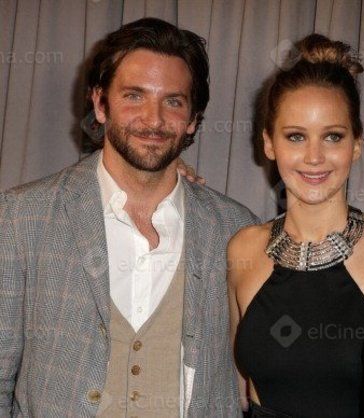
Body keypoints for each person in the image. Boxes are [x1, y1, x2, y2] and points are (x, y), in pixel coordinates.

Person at [0, 18, 257, 417]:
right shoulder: (22, 218)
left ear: (192, 118)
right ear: (100, 104)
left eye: (173, 101)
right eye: (134, 96)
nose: (153, 120)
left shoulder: (236, 230)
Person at [226, 34, 364, 418]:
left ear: (356, 144)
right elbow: (239, 389)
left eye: (332, 136)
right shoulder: (243, 249)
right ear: (269, 143)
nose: (314, 157)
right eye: (296, 136)